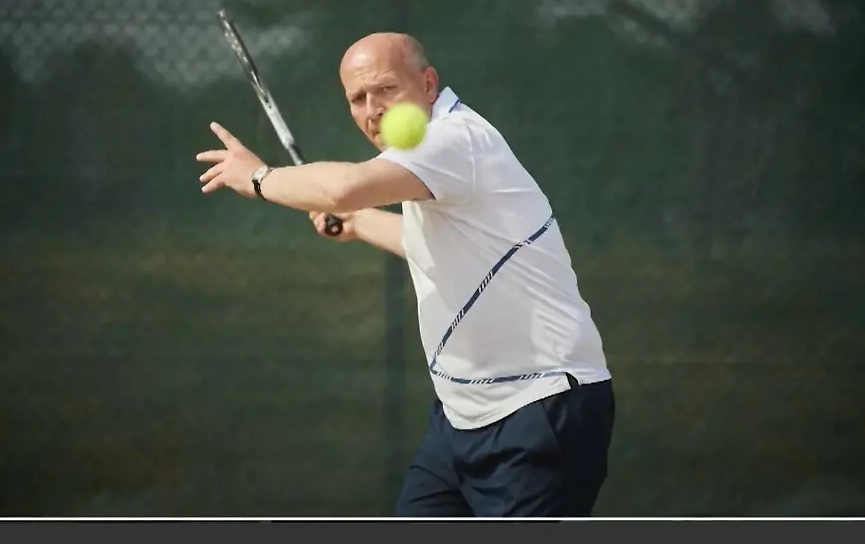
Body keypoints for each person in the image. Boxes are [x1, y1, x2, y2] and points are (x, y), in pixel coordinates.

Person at [196, 33, 614, 517]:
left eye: (386, 90)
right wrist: (358, 223)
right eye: (358, 98)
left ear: (428, 84)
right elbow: (431, 246)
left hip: (540, 409)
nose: (372, 109)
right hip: (460, 420)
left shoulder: (451, 138)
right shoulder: (428, 161)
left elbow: (343, 188)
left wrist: (258, 177)